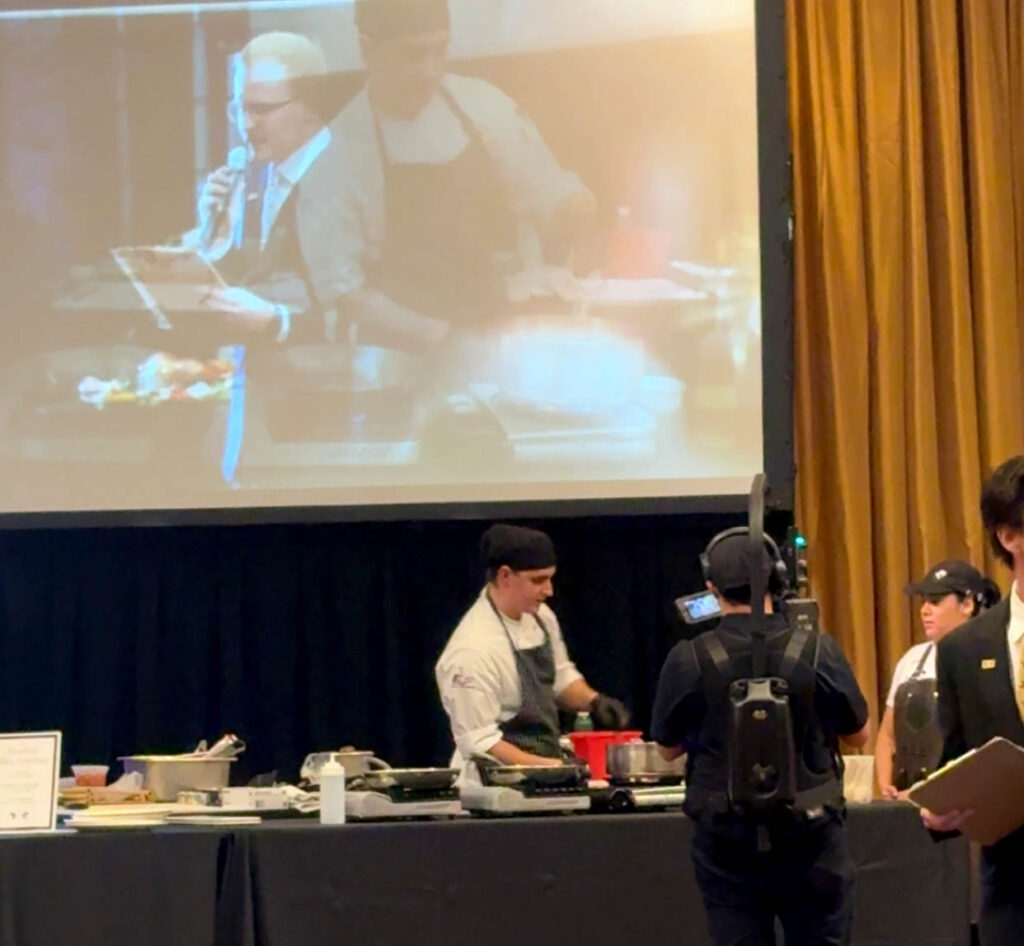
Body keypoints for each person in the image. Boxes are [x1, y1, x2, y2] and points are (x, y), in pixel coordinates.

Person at [325, 0, 597, 347]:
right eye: (412, 55)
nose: (430, 71)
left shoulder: (483, 106)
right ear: (368, 50)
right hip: (394, 355)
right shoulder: (339, 149)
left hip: (489, 331)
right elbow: (344, 292)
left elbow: (546, 196)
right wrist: (445, 338)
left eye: (440, 51)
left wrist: (573, 211)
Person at [652, 529, 870, 946]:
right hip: (813, 841)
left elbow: (666, 749)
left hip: (725, 845)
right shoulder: (818, 649)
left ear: (711, 587)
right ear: (779, 578)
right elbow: (858, 735)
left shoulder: (688, 658)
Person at [184, 31, 349, 344]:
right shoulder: (257, 173)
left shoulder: (348, 176)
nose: (246, 126)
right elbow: (251, 280)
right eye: (238, 109)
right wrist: (212, 234)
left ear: (310, 108)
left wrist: (277, 322)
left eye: (261, 109)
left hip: (337, 380)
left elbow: (358, 313)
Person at [435, 523, 630, 780]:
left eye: (550, 578)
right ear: (505, 576)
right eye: (538, 580)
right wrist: (556, 769)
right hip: (494, 785)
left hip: (544, 770)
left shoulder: (540, 617)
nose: (549, 591)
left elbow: (558, 678)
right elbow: (480, 742)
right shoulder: (472, 650)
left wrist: (594, 701)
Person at [922, 456, 1024, 944]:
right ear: (1009, 536)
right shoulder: (965, 649)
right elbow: (956, 761)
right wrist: (940, 812)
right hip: (1013, 893)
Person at [875, 560, 1001, 799]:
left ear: (967, 604)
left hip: (959, 806)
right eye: (924, 601)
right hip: (901, 806)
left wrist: (928, 793)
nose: (924, 610)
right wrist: (885, 786)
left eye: (935, 601)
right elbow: (887, 735)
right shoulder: (911, 659)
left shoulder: (988, 660)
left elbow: (982, 750)